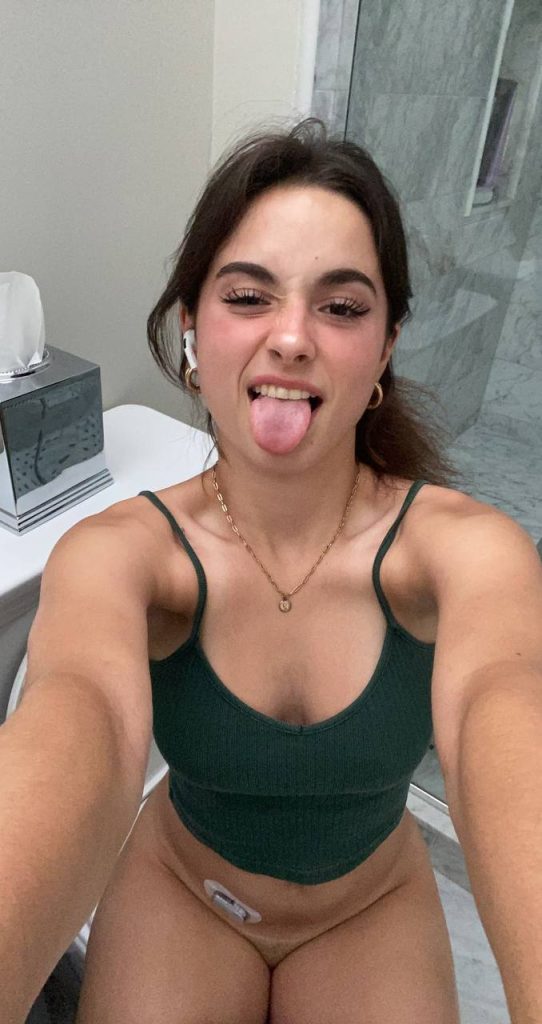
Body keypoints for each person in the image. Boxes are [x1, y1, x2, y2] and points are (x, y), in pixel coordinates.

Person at [2, 118, 542, 1023]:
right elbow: (78, 722)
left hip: (370, 907)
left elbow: (510, 714)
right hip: (183, 890)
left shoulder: (466, 554)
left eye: (342, 307)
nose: (291, 337)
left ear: (386, 346)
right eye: (249, 296)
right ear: (192, 331)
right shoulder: (118, 556)